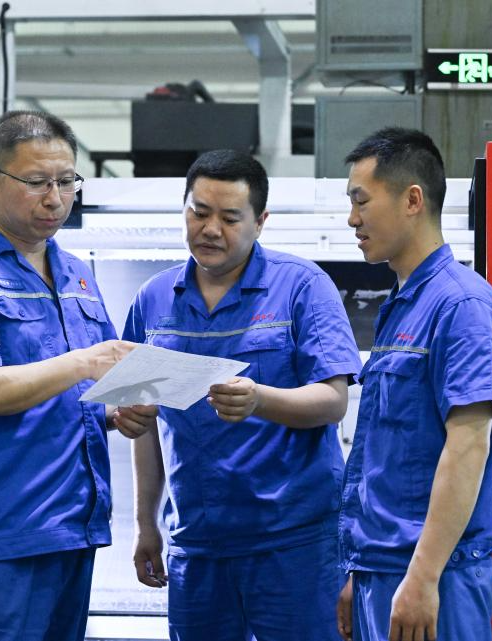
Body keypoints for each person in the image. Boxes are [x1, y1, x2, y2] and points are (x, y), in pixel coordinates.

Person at [0, 110, 153, 641]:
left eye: (66, 182)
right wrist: (84, 363)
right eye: (37, 182)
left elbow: (79, 395)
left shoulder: (76, 275)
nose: (55, 199)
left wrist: (117, 413)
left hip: (73, 528)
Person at [124, 149, 361, 641]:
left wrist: (261, 400)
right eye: (199, 212)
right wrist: (145, 523)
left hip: (293, 543)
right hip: (197, 546)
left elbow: (333, 401)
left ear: (260, 221)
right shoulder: (153, 300)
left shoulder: (302, 287)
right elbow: (144, 424)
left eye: (230, 218)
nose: (210, 229)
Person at [336, 128, 492, 641]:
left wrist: (423, 575)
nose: (352, 219)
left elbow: (469, 445)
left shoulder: (463, 306)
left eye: (361, 201)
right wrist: (361, 568)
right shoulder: (403, 305)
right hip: (384, 569)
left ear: (413, 200)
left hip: (435, 577)